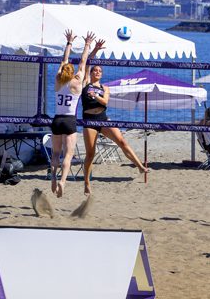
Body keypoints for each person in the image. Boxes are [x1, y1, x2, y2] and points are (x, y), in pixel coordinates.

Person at [81, 48, 148, 196]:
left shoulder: (105, 88)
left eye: (99, 71)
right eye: (95, 70)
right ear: (91, 73)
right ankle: (86, 183)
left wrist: (95, 96)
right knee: (90, 154)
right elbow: (86, 62)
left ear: (101, 74)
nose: (97, 72)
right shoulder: (85, 83)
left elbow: (105, 102)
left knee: (122, 141)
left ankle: (140, 166)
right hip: (89, 120)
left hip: (103, 118)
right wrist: (95, 49)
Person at [50, 29, 95, 198]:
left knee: (55, 153)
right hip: (70, 120)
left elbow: (64, 60)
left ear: (63, 71)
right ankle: (62, 181)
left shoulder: (57, 80)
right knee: (68, 154)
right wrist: (87, 44)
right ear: (72, 72)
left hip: (57, 119)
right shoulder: (77, 82)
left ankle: (53, 176)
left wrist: (69, 42)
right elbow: (83, 61)